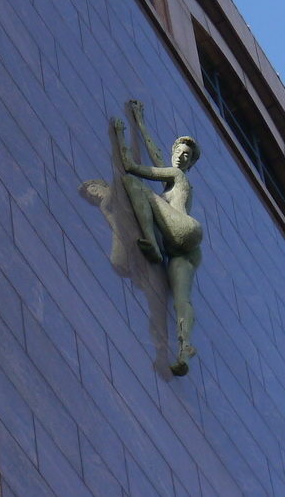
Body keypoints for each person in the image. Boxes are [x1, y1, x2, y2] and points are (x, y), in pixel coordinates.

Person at [112, 100, 202, 376]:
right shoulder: (176, 181)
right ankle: (183, 348)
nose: (181, 158)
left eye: (187, 156)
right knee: (179, 300)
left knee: (133, 184)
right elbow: (156, 154)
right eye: (180, 152)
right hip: (186, 249)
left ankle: (150, 240)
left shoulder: (176, 176)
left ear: (189, 163)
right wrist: (140, 122)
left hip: (183, 231)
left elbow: (131, 167)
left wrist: (120, 134)